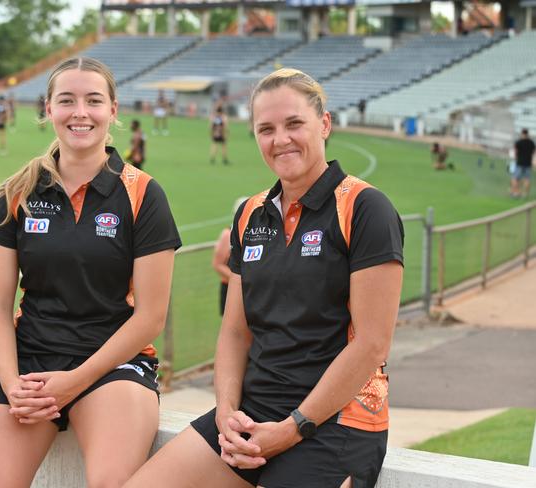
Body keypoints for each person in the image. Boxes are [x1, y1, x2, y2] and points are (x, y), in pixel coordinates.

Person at [125, 68, 404, 488]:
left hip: (334, 423)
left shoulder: (365, 208)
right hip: (254, 411)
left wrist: (293, 428)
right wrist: (225, 411)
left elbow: (371, 344)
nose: (280, 139)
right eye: (266, 129)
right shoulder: (251, 213)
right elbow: (236, 332)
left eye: (294, 124)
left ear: (324, 123)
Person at [0, 57, 181, 488]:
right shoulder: (19, 192)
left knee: (110, 483)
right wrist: (11, 383)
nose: (80, 112)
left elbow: (150, 318)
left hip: (112, 364)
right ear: (48, 109)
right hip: (29, 363)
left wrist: (75, 381)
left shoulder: (144, 194)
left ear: (113, 110)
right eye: (66, 100)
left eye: (93, 101)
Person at [212, 197, 248, 316]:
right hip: (231, 288)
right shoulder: (227, 234)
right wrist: (241, 281)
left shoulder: (256, 233)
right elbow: (218, 264)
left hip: (250, 290)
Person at [510, 129, 535, 198]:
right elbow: (533, 153)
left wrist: (515, 159)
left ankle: (515, 192)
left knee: (515, 178)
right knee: (527, 179)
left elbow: (515, 152)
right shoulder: (531, 143)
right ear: (527, 134)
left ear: (522, 133)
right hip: (528, 163)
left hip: (520, 163)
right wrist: (533, 161)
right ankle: (525, 194)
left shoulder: (519, 142)